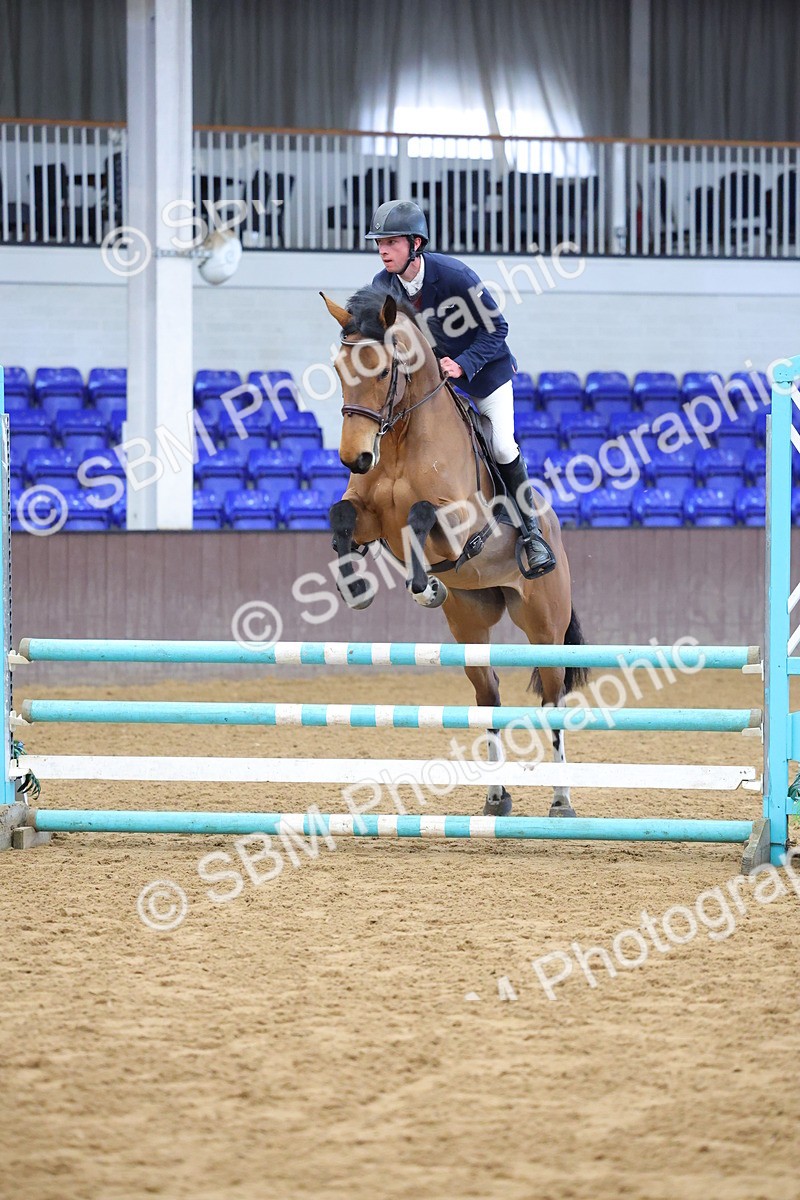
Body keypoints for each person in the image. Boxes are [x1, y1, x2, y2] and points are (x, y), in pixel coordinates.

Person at [366, 198, 556, 579]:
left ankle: (532, 534)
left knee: (502, 446)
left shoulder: (455, 276)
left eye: (392, 243)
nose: (383, 250)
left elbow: (497, 329)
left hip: (485, 376)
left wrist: (462, 363)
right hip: (437, 385)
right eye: (380, 243)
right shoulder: (383, 286)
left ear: (416, 244)